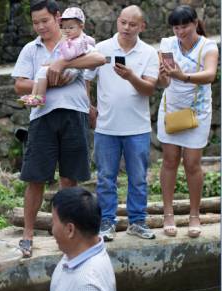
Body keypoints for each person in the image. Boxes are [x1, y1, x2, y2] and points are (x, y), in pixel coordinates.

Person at [12, 0, 105, 258]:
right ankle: (28, 234)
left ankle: (67, 234)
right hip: (42, 117)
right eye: (35, 22)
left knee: (69, 178)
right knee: (35, 177)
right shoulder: (31, 49)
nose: (40, 27)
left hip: (74, 113)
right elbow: (19, 85)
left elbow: (99, 59)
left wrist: (63, 64)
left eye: (45, 20)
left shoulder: (77, 42)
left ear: (57, 18)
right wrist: (48, 81)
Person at [85, 6, 159, 242]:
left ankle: (137, 221)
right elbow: (86, 79)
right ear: (117, 22)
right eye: (123, 22)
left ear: (142, 27)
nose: (127, 28)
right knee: (106, 178)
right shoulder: (102, 49)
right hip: (106, 126)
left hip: (137, 127)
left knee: (138, 178)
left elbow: (149, 88)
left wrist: (130, 76)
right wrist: (89, 106)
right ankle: (107, 221)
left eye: (133, 24)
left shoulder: (148, 53)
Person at [156, 5, 219, 238]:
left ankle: (194, 215)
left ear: (195, 23)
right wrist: (164, 77)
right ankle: (168, 213)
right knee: (170, 160)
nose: (180, 31)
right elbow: (163, 83)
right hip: (171, 108)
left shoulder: (208, 46)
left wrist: (183, 76)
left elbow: (210, 75)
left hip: (198, 111)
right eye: (176, 27)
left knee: (192, 163)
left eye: (185, 26)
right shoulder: (167, 44)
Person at [19, 7, 95, 107]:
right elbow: (18, 85)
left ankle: (39, 97)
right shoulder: (79, 39)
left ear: (81, 26)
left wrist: (63, 44)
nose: (67, 31)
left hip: (70, 72)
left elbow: (69, 56)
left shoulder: (78, 41)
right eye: (64, 27)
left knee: (42, 73)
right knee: (41, 72)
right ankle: (34, 96)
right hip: (69, 70)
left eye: (71, 28)